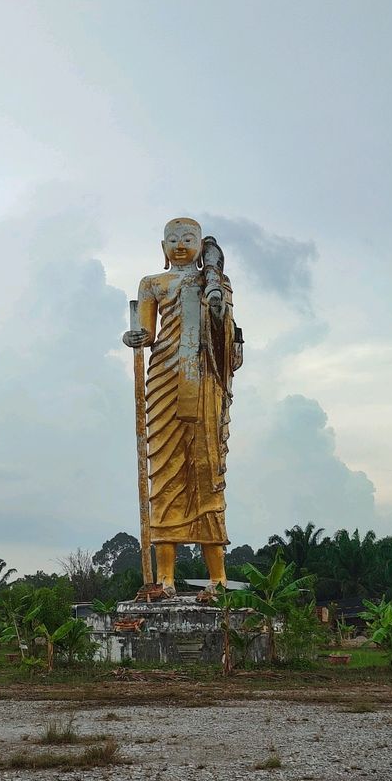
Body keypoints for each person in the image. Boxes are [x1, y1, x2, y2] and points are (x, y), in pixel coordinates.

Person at [123, 217, 243, 595]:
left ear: (198, 244)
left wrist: (219, 308)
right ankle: (166, 579)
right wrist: (135, 336)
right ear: (162, 248)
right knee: (165, 473)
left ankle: (218, 579)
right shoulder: (152, 284)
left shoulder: (214, 284)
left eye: (188, 239)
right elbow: (146, 334)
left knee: (207, 476)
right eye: (172, 240)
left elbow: (229, 338)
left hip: (204, 376)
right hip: (164, 378)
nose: (179, 245)